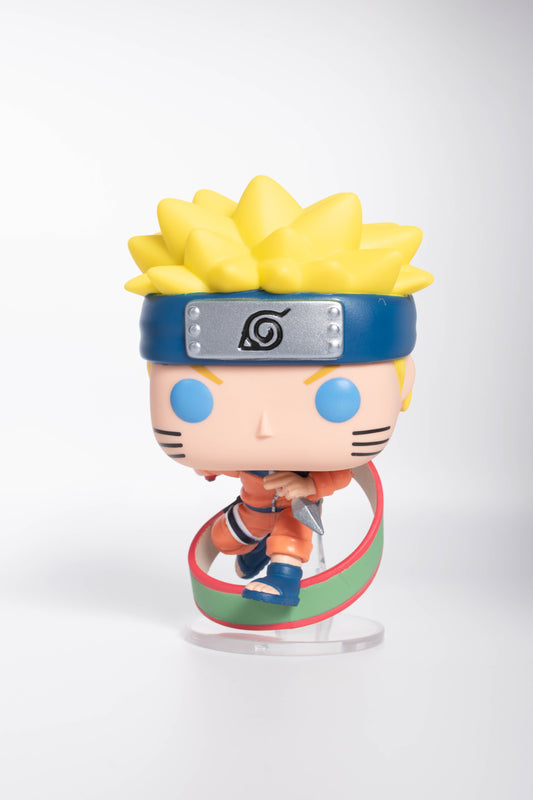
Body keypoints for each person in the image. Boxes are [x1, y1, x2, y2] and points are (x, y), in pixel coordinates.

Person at [126, 176, 432, 605]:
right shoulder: (247, 458)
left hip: (294, 509)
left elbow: (338, 475)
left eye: (335, 398)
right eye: (196, 398)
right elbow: (227, 466)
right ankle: (252, 552)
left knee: (290, 535)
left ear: (403, 381)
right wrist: (211, 465)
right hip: (249, 508)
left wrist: (307, 486)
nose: (265, 428)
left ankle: (284, 578)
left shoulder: (315, 469)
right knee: (229, 537)